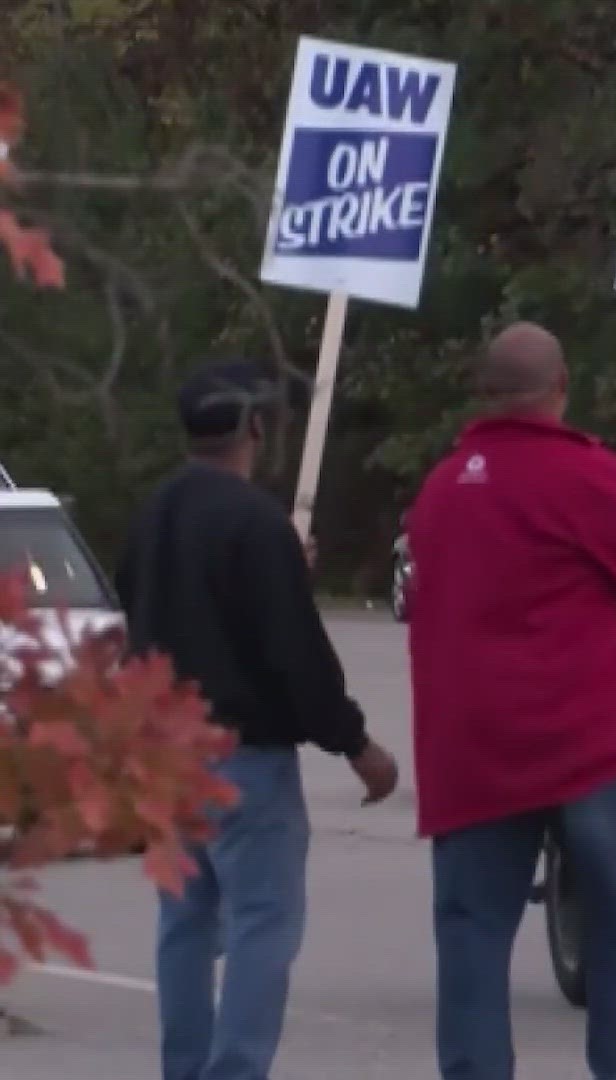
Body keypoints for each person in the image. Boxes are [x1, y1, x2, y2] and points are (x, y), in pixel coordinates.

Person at [407, 323, 616, 1080]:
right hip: (586, 742)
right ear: (559, 388)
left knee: (472, 933)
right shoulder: (589, 478)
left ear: (483, 393)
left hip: (474, 750)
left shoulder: (441, 491)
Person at [116, 360, 401, 1080]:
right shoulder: (255, 523)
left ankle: (184, 1065)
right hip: (241, 757)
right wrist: (355, 743)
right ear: (253, 427)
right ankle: (235, 1069)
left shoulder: (152, 517)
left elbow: (148, 616)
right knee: (260, 925)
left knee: (184, 923)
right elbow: (293, 652)